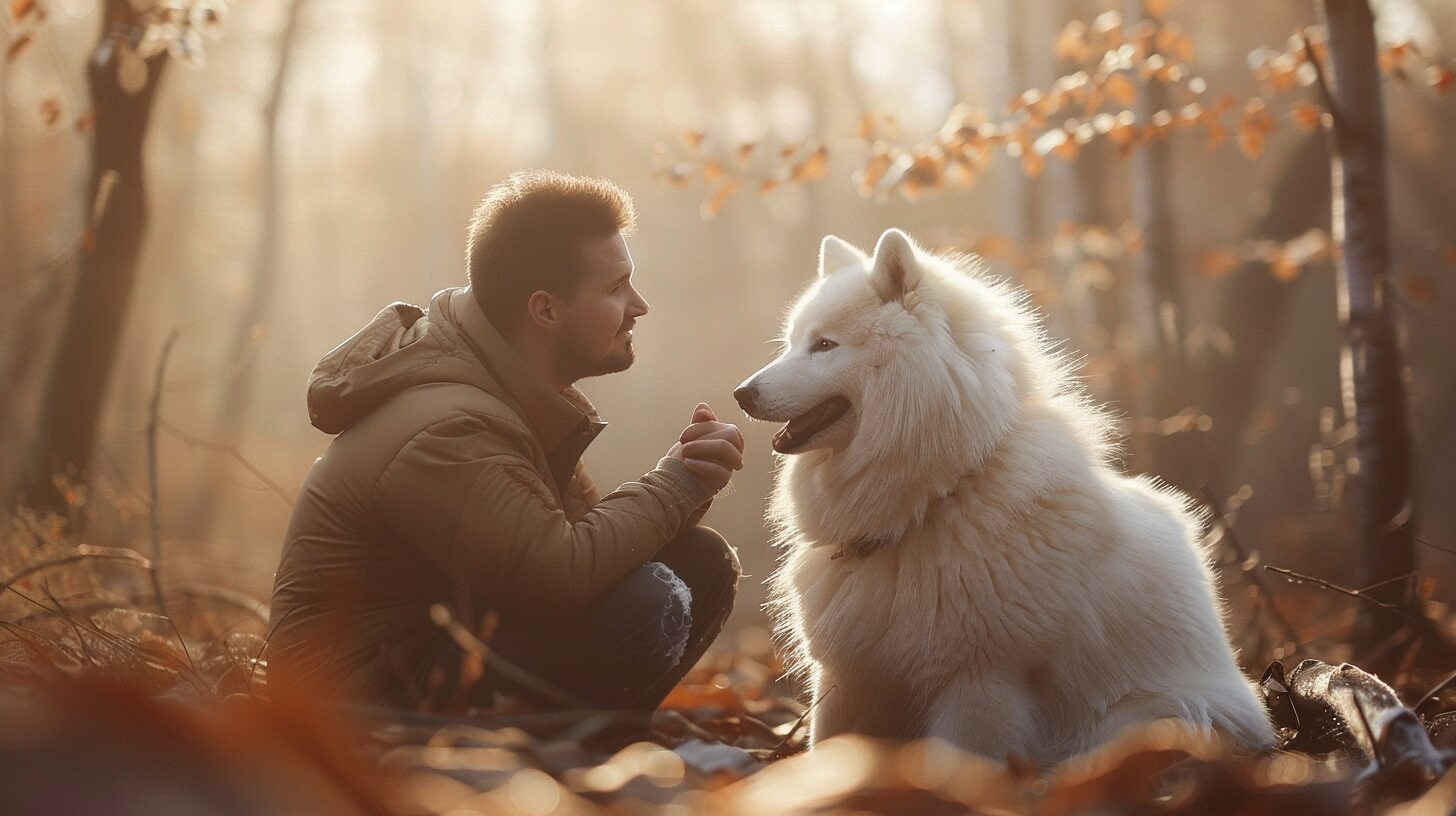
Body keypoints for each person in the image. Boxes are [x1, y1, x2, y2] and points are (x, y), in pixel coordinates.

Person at [265, 170, 743, 713]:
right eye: (615, 288)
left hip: (423, 665)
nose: (639, 305)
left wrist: (686, 481)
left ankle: (579, 752)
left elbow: (579, 557)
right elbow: (559, 575)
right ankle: (537, 767)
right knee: (654, 600)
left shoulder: (508, 396)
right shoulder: (446, 427)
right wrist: (676, 484)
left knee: (695, 565)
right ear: (544, 310)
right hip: (350, 710)